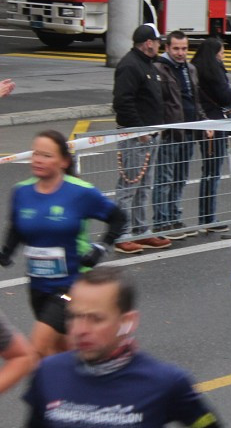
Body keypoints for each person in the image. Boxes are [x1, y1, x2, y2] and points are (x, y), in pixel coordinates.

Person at [21, 266, 222, 428]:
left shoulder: (164, 381)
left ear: (127, 321)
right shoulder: (49, 371)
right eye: (74, 317)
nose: (80, 330)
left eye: (96, 319)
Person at [0, 130, 126, 358]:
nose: (38, 160)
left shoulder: (79, 192)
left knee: (38, 347)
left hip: (72, 284)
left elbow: (118, 217)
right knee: (64, 351)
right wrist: (6, 251)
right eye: (36, 153)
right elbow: (17, 226)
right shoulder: (22, 192)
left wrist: (100, 248)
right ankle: (98, 383)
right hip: (38, 285)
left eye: (47, 155)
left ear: (63, 161)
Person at [111, 23, 170, 253]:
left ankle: (141, 229)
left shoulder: (147, 64)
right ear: (148, 43)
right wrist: (140, 130)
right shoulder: (130, 66)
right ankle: (122, 234)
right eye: (157, 41)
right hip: (137, 137)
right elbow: (122, 102)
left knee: (145, 185)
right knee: (129, 185)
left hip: (151, 134)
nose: (159, 45)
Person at [152, 30, 211, 239]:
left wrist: (204, 122)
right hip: (171, 132)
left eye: (184, 48)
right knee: (164, 177)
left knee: (180, 177)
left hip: (189, 130)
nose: (180, 53)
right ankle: (161, 221)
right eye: (176, 48)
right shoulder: (160, 68)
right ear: (167, 48)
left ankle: (174, 217)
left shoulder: (190, 69)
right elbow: (159, 102)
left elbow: (194, 100)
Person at [192, 36, 231, 229]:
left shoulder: (196, 68)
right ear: (215, 54)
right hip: (216, 126)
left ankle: (206, 217)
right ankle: (208, 218)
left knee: (208, 171)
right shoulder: (213, 71)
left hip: (204, 125)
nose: (224, 56)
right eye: (222, 53)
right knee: (213, 172)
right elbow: (226, 96)